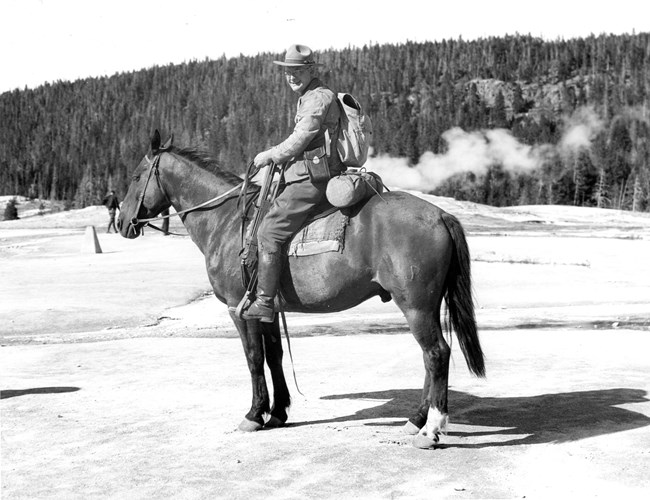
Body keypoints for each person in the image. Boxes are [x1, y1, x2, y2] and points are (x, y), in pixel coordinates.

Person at [242, 44, 345, 322]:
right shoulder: (310, 95)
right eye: (288, 71)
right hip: (310, 174)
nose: (291, 76)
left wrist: (270, 155)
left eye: (297, 71)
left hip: (312, 179)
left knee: (269, 232)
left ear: (312, 70)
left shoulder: (318, 98)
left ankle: (264, 302)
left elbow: (301, 138)